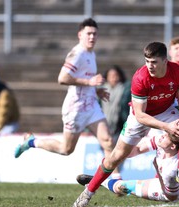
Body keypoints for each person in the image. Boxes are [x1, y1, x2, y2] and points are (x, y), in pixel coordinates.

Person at [72, 42, 179, 207]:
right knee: (115, 158)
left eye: (154, 62)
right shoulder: (140, 77)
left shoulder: (178, 73)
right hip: (141, 116)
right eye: (147, 61)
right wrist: (166, 127)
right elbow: (140, 115)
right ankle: (87, 194)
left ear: (165, 60)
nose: (150, 65)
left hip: (166, 111)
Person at [14, 18, 117, 176]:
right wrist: (90, 82)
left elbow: (84, 83)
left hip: (91, 106)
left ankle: (115, 180)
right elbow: (62, 78)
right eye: (88, 33)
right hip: (75, 109)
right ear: (80, 35)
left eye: (95, 34)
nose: (92, 37)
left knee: (108, 141)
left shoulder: (91, 53)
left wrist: (96, 91)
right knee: (66, 149)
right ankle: (31, 142)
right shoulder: (77, 54)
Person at [76, 132, 179, 202]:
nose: (162, 136)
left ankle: (99, 182)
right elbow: (138, 149)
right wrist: (119, 155)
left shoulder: (171, 167)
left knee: (121, 188)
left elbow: (170, 196)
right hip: (164, 178)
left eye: (166, 136)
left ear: (172, 147)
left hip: (168, 191)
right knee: (123, 187)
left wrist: (157, 168)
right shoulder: (161, 141)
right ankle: (98, 180)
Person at [101, 65, 131, 141]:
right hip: (104, 125)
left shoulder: (126, 90)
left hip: (120, 125)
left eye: (116, 75)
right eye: (111, 75)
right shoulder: (101, 91)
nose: (113, 78)